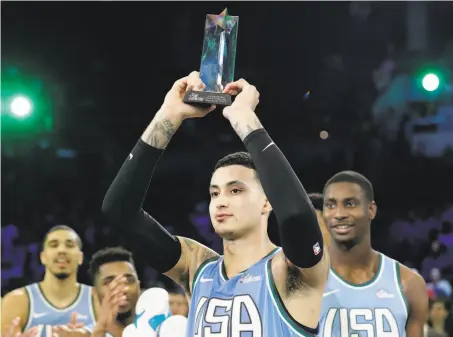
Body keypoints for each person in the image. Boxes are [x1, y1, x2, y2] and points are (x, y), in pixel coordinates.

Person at [102, 72, 329, 336]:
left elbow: (296, 217)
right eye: (214, 193)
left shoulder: (288, 271)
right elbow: (118, 211)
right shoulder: (198, 268)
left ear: (267, 201)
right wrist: (169, 115)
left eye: (235, 190)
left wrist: (244, 119)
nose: (221, 201)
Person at [320, 171, 429, 337]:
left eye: (350, 204)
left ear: (371, 210)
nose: (339, 214)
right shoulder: (303, 279)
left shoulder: (408, 284)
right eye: (331, 205)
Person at [1, 225, 97, 335]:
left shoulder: (98, 299)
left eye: (69, 245)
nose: (62, 250)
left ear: (80, 257)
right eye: (54, 245)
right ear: (43, 257)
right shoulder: (17, 301)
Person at [85, 247, 140, 337]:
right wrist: (100, 330)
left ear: (138, 285)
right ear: (94, 292)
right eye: (109, 282)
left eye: (129, 280)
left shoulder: (160, 330)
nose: (122, 288)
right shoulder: (83, 334)